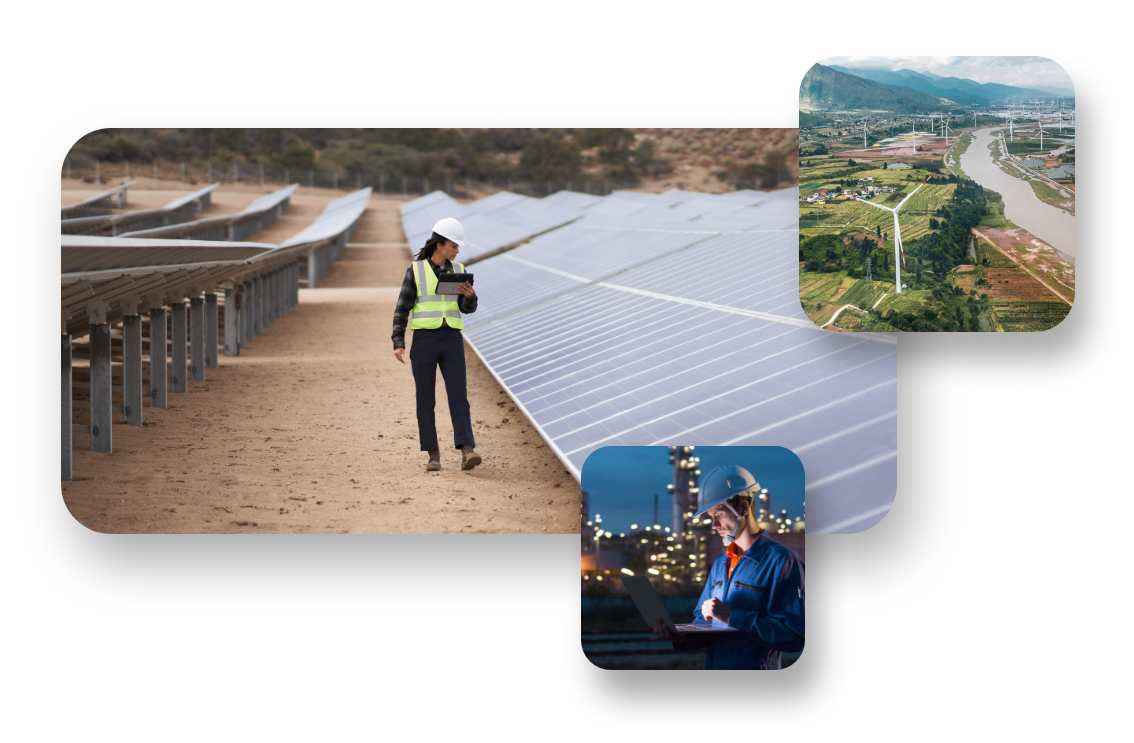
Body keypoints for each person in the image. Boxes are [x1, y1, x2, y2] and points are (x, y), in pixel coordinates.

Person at [653, 464, 805, 670]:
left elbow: (795, 637)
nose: (714, 525)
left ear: (743, 508)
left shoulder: (782, 561)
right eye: (711, 518)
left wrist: (733, 616)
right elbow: (705, 624)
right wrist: (682, 637)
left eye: (719, 515)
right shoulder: (720, 563)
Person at [392, 217, 482, 473]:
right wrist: (398, 340)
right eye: (454, 245)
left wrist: (471, 298)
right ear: (440, 244)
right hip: (424, 341)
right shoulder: (416, 270)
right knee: (425, 399)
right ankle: (433, 454)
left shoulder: (459, 269)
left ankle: (467, 450)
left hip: (452, 339)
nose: (457, 250)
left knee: (459, 397)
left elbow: (466, 309)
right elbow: (402, 308)